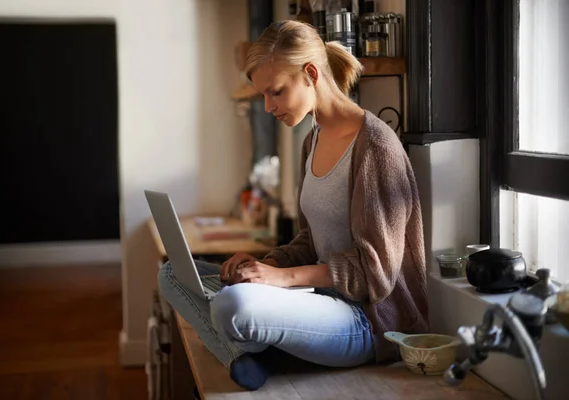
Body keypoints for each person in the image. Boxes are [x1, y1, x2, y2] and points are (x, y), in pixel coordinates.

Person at [157, 19, 428, 392]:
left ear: (311, 74)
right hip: (314, 301)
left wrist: (280, 279)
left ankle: (244, 346)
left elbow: (374, 273)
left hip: (364, 320)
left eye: (276, 93)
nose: (268, 106)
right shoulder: (311, 141)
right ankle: (242, 354)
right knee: (172, 274)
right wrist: (265, 265)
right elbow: (309, 241)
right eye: (264, 96)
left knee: (231, 307)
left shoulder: (376, 149)